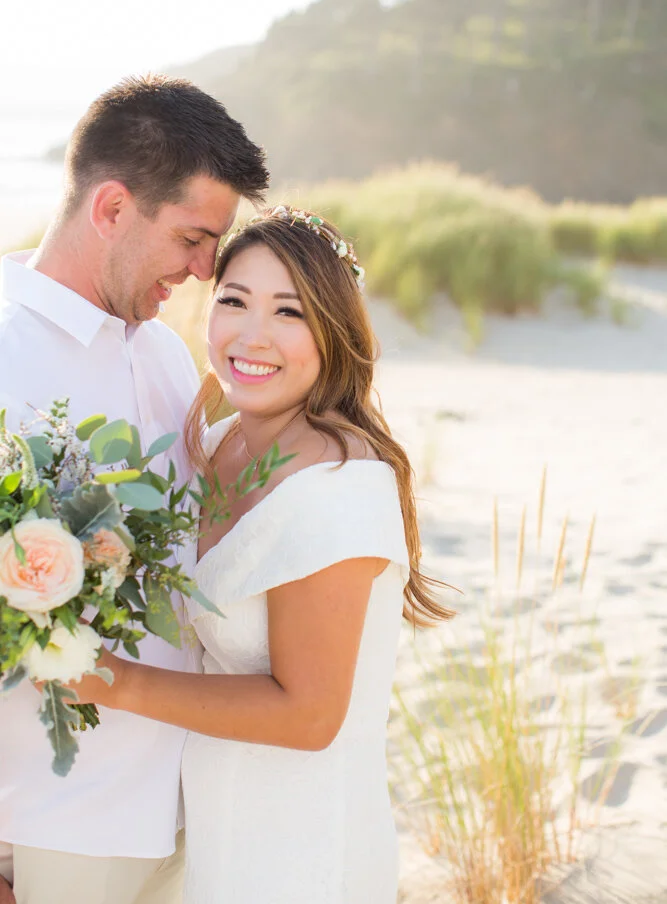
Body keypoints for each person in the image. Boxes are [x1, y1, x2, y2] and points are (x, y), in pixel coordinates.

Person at [66, 205, 454, 903]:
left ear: (334, 331)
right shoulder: (218, 445)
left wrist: (115, 684)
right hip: (215, 829)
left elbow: (309, 715)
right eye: (234, 301)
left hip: (301, 849)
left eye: (289, 313)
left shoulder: (338, 487)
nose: (252, 335)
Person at [0, 73, 269, 904]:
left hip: (185, 807)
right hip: (54, 817)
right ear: (112, 208)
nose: (200, 272)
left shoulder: (161, 352)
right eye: (193, 238)